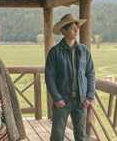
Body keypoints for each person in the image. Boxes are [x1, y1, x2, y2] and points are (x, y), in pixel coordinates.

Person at [45, 13, 95, 141]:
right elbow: (49, 77)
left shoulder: (84, 51)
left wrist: (89, 96)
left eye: (77, 27)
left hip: (81, 100)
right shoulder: (54, 52)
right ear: (63, 31)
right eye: (72, 28)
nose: (77, 30)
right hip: (62, 100)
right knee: (57, 135)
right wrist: (57, 98)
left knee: (81, 136)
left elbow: (90, 73)